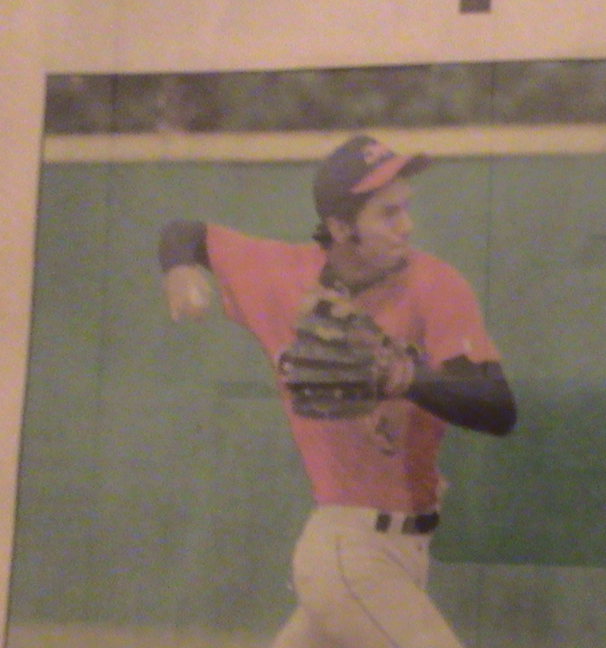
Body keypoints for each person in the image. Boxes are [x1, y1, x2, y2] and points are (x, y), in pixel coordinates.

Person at [157, 134, 517, 648]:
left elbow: (497, 405)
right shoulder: (282, 274)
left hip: (406, 552)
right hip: (349, 552)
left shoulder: (435, 285)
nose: (406, 225)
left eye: (405, 208)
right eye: (388, 213)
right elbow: (184, 233)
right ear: (342, 227)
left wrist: (405, 378)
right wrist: (180, 272)